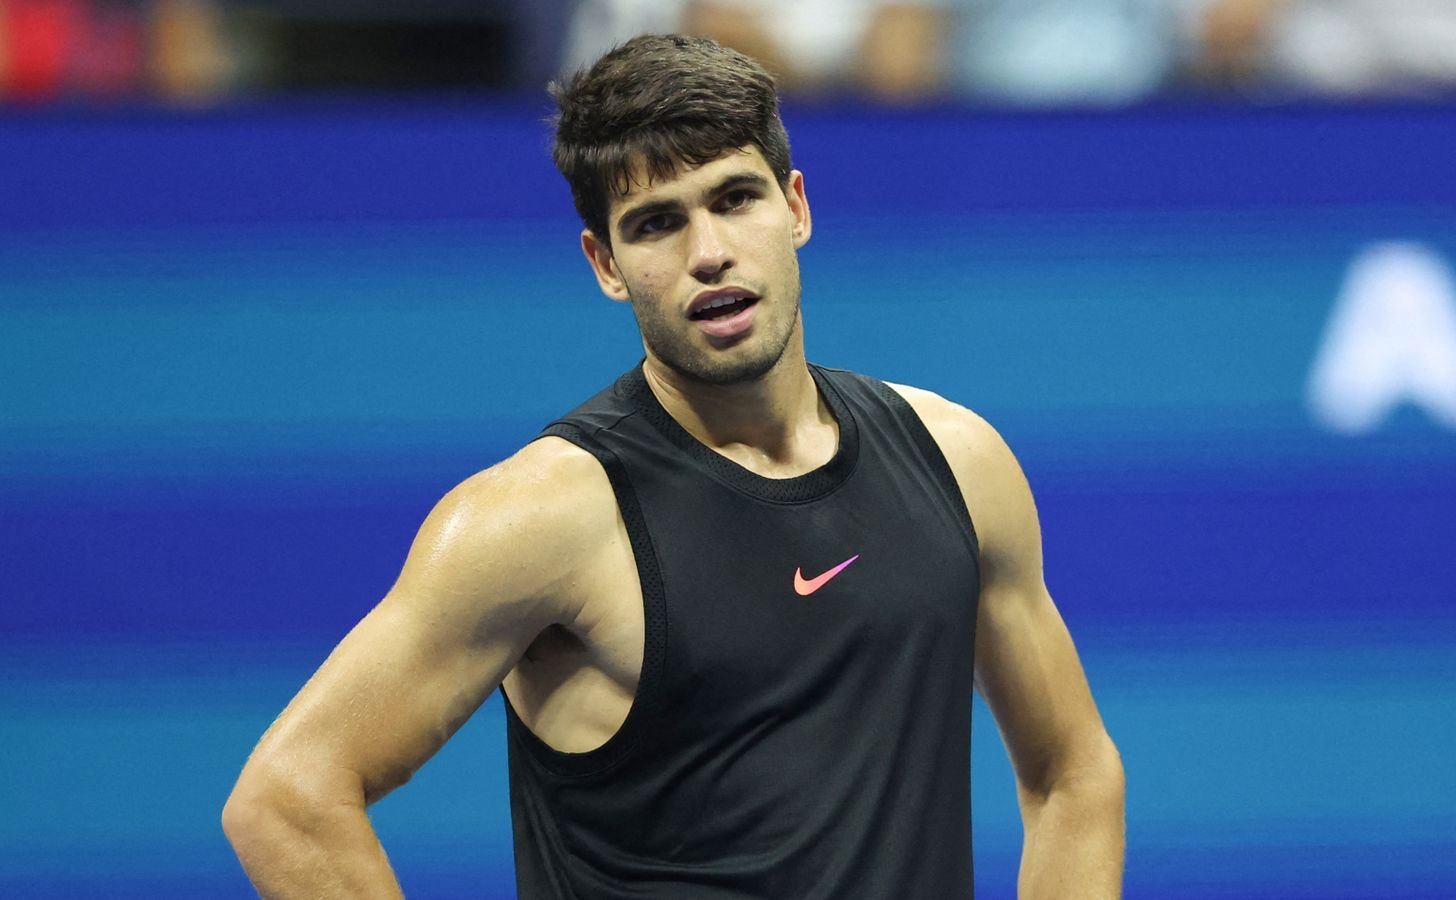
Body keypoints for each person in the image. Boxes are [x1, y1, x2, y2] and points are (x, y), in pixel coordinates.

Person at [221, 33, 1124, 899]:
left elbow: (1072, 774)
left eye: (735, 198)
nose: (708, 253)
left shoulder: (958, 462)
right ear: (605, 265)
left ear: (796, 206)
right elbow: (287, 799)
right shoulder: (540, 519)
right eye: (657, 223)